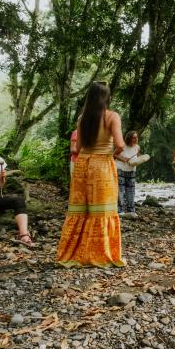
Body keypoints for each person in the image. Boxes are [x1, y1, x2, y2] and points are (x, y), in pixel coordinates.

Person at [56, 82, 126, 267]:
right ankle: (99, 254)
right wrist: (111, 154)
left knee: (81, 210)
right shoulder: (112, 116)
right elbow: (120, 144)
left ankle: (72, 253)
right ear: (107, 97)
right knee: (101, 210)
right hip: (101, 165)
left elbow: (78, 148)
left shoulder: (82, 118)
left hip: (82, 165)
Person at [114, 130, 140, 214]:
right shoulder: (122, 146)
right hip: (120, 170)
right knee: (120, 190)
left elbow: (138, 157)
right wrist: (123, 159)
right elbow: (114, 155)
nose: (136, 139)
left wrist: (140, 160)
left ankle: (131, 209)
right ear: (129, 138)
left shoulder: (137, 147)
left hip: (132, 170)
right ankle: (120, 210)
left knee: (131, 190)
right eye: (134, 138)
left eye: (137, 137)